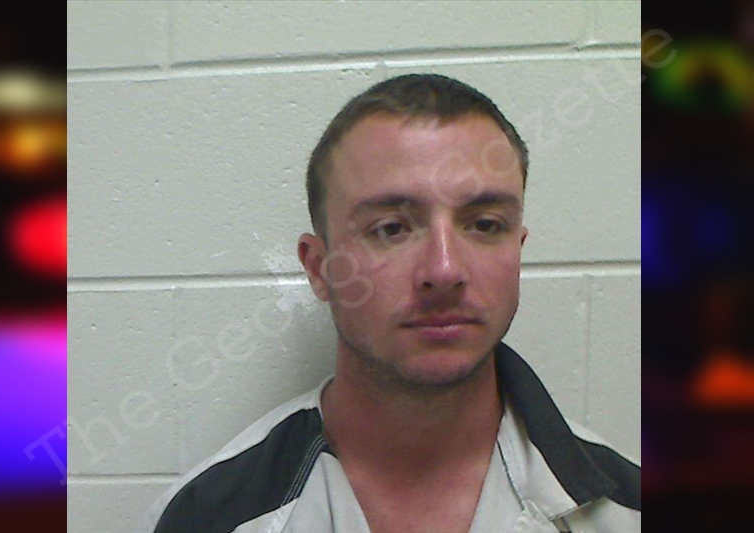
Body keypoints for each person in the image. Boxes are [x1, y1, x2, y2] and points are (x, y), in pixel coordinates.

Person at [152, 74, 641, 533]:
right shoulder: (208, 516)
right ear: (319, 268)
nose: (444, 270)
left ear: (517, 249)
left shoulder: (627, 508)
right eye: (391, 228)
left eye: (485, 224)